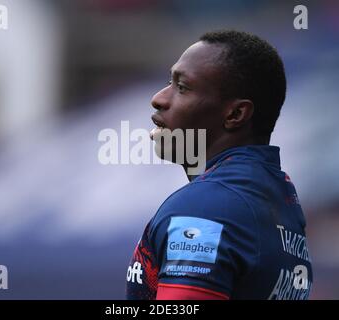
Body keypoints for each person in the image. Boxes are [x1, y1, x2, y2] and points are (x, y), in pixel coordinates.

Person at [126, 30, 313, 300]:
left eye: (182, 87)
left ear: (235, 114)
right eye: (169, 82)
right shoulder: (276, 198)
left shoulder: (204, 208)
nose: (159, 98)